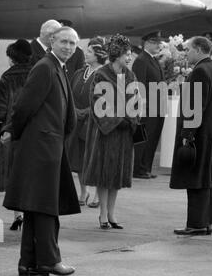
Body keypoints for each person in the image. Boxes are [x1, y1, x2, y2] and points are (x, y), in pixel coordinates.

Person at [2, 27, 81, 276]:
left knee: (36, 207)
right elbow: (23, 105)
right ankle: (49, 261)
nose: (68, 47)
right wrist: (17, 133)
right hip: (41, 148)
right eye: (64, 42)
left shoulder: (56, 66)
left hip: (49, 146)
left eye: (72, 43)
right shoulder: (46, 67)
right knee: (47, 207)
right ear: (51, 41)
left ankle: (29, 263)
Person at [82, 34, 139, 230]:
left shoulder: (130, 76)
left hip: (124, 133)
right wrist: (116, 120)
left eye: (130, 55)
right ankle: (103, 214)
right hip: (106, 133)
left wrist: (131, 119)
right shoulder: (101, 75)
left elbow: (136, 101)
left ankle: (112, 214)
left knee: (117, 176)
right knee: (104, 175)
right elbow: (97, 103)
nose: (129, 58)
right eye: (127, 55)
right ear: (116, 55)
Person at [171, 37, 212, 236]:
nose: (187, 54)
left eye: (189, 50)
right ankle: (206, 222)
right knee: (208, 180)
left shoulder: (200, 71)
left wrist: (187, 135)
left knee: (196, 180)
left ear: (199, 49)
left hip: (200, 134)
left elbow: (195, 106)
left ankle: (196, 224)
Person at [67, 36, 108, 208]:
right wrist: (73, 110)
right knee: (79, 160)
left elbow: (105, 102)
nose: (86, 53)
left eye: (89, 52)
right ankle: (83, 192)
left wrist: (84, 112)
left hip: (95, 123)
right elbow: (69, 93)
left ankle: (98, 195)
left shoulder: (105, 76)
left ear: (98, 55)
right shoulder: (78, 73)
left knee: (95, 159)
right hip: (77, 122)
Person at [0, 40, 33, 231]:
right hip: (34, 131)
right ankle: (30, 212)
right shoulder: (37, 73)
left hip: (11, 133)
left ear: (11, 58)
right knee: (30, 173)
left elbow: (1, 110)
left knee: (13, 172)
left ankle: (17, 214)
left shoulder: (6, 78)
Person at [132, 31, 165, 179]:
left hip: (156, 108)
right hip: (147, 108)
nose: (159, 45)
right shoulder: (141, 60)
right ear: (147, 43)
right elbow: (139, 85)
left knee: (151, 139)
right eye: (156, 42)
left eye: (159, 43)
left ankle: (146, 168)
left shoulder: (151, 59)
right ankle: (138, 168)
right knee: (142, 139)